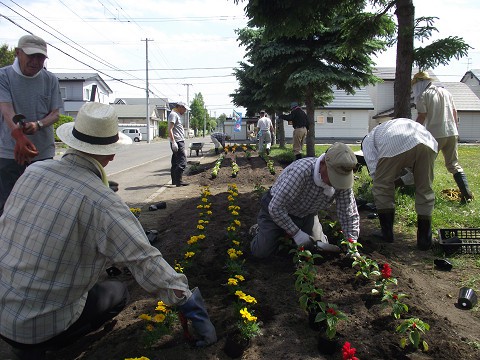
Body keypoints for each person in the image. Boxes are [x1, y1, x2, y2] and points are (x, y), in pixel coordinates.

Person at [0, 103, 217, 360]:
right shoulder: (102, 202)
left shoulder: (34, 171)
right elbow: (144, 259)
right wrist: (187, 301)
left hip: (3, 308)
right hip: (38, 328)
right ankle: (58, 348)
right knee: (117, 292)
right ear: (111, 154)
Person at [250, 142, 359, 258]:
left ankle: (290, 233)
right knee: (262, 253)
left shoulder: (341, 183)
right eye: (334, 176)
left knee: (320, 250)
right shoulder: (301, 172)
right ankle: (258, 230)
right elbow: (275, 207)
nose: (336, 182)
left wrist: (352, 246)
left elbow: (348, 213)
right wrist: (297, 234)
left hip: (306, 215)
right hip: (275, 212)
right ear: (323, 164)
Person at [0, 34, 63, 215]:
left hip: (42, 152)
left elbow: (55, 114)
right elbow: (6, 110)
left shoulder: (50, 79)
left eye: (40, 57)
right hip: (8, 152)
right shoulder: (4, 76)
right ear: (18, 53)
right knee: (7, 204)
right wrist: (19, 136)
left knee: (42, 205)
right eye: (31, 56)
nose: (36, 61)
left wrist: (38, 125)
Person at [361, 118, 438, 250]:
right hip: (427, 142)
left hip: (394, 142)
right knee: (425, 188)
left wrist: (385, 184)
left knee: (381, 187)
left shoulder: (368, 140)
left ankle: (387, 233)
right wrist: (397, 181)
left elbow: (376, 174)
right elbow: (413, 177)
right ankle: (424, 238)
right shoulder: (384, 129)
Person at [412, 71, 473, 203]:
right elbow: (454, 112)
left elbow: (422, 116)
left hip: (434, 135)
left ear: (419, 83)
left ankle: (426, 194)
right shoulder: (446, 92)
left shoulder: (423, 95)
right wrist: (455, 129)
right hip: (451, 132)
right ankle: (466, 194)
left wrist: (413, 131)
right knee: (453, 164)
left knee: (426, 165)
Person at [168, 101, 190, 187]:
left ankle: (175, 180)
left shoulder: (176, 115)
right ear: (180, 107)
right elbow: (170, 129)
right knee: (182, 162)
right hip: (177, 141)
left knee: (175, 162)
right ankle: (179, 181)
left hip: (178, 141)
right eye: (184, 109)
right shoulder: (173, 115)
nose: (185, 111)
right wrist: (173, 142)